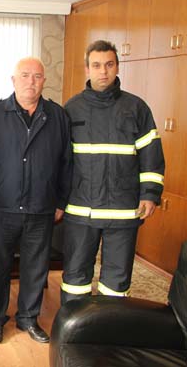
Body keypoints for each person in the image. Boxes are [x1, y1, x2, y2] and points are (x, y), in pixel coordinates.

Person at [0, 57, 72, 344]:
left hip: (42, 207)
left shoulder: (57, 116)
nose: (31, 81)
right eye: (25, 75)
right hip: (1, 207)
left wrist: (61, 202)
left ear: (44, 81)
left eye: (37, 76)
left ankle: (28, 318)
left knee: (36, 268)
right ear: (13, 80)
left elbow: (67, 162)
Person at [60, 40, 164, 303]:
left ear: (117, 67)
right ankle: (74, 324)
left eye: (109, 65)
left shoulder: (137, 108)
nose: (103, 71)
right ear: (87, 69)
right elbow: (60, 160)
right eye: (96, 65)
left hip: (123, 210)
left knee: (117, 280)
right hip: (81, 210)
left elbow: (151, 155)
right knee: (75, 276)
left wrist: (150, 194)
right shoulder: (71, 109)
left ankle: (111, 324)